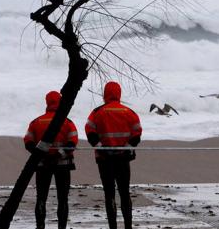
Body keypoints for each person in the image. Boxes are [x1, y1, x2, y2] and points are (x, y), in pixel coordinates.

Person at [85, 81, 142, 229]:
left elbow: (89, 131)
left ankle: (113, 226)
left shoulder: (97, 112)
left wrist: (100, 147)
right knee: (124, 192)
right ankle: (128, 226)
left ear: (105, 94)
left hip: (104, 160)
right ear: (119, 94)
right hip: (123, 159)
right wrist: (127, 147)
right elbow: (137, 133)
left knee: (109, 194)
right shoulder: (129, 112)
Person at [24, 91, 78, 229]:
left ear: (47, 102)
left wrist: (43, 156)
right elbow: (72, 142)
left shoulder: (36, 122)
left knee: (41, 198)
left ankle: (40, 226)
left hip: (42, 165)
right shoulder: (67, 122)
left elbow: (28, 143)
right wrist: (58, 155)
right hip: (63, 165)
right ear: (60, 102)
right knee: (63, 199)